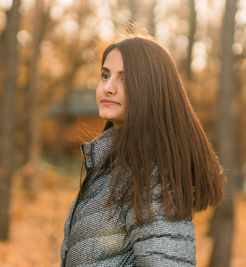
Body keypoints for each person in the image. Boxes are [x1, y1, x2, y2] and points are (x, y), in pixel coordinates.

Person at [60, 35, 225, 266]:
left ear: (151, 89)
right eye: (105, 75)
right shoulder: (115, 164)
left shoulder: (150, 171)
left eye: (124, 79)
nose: (107, 88)